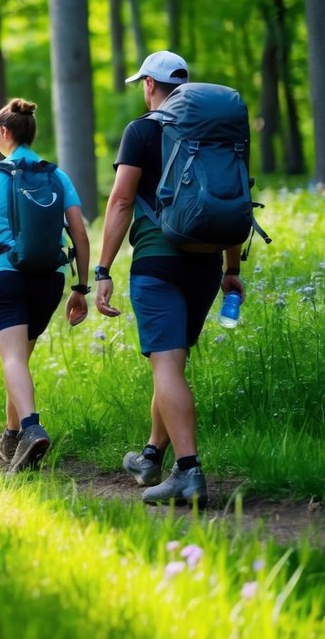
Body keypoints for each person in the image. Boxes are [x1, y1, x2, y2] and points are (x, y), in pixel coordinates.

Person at [95, 50, 245, 507]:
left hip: (158, 264)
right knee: (172, 365)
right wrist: (232, 269)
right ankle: (150, 456)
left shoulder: (143, 130)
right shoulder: (219, 133)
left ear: (149, 85)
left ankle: (188, 471)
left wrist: (102, 271)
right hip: (207, 261)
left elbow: (121, 202)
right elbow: (234, 195)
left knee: (165, 366)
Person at [0, 99, 90, 473]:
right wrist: (81, 287)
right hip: (50, 280)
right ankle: (11, 437)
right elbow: (80, 235)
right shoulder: (57, 176)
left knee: (12, 359)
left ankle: (30, 428)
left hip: (7, 278)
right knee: (20, 360)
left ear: (5, 132)